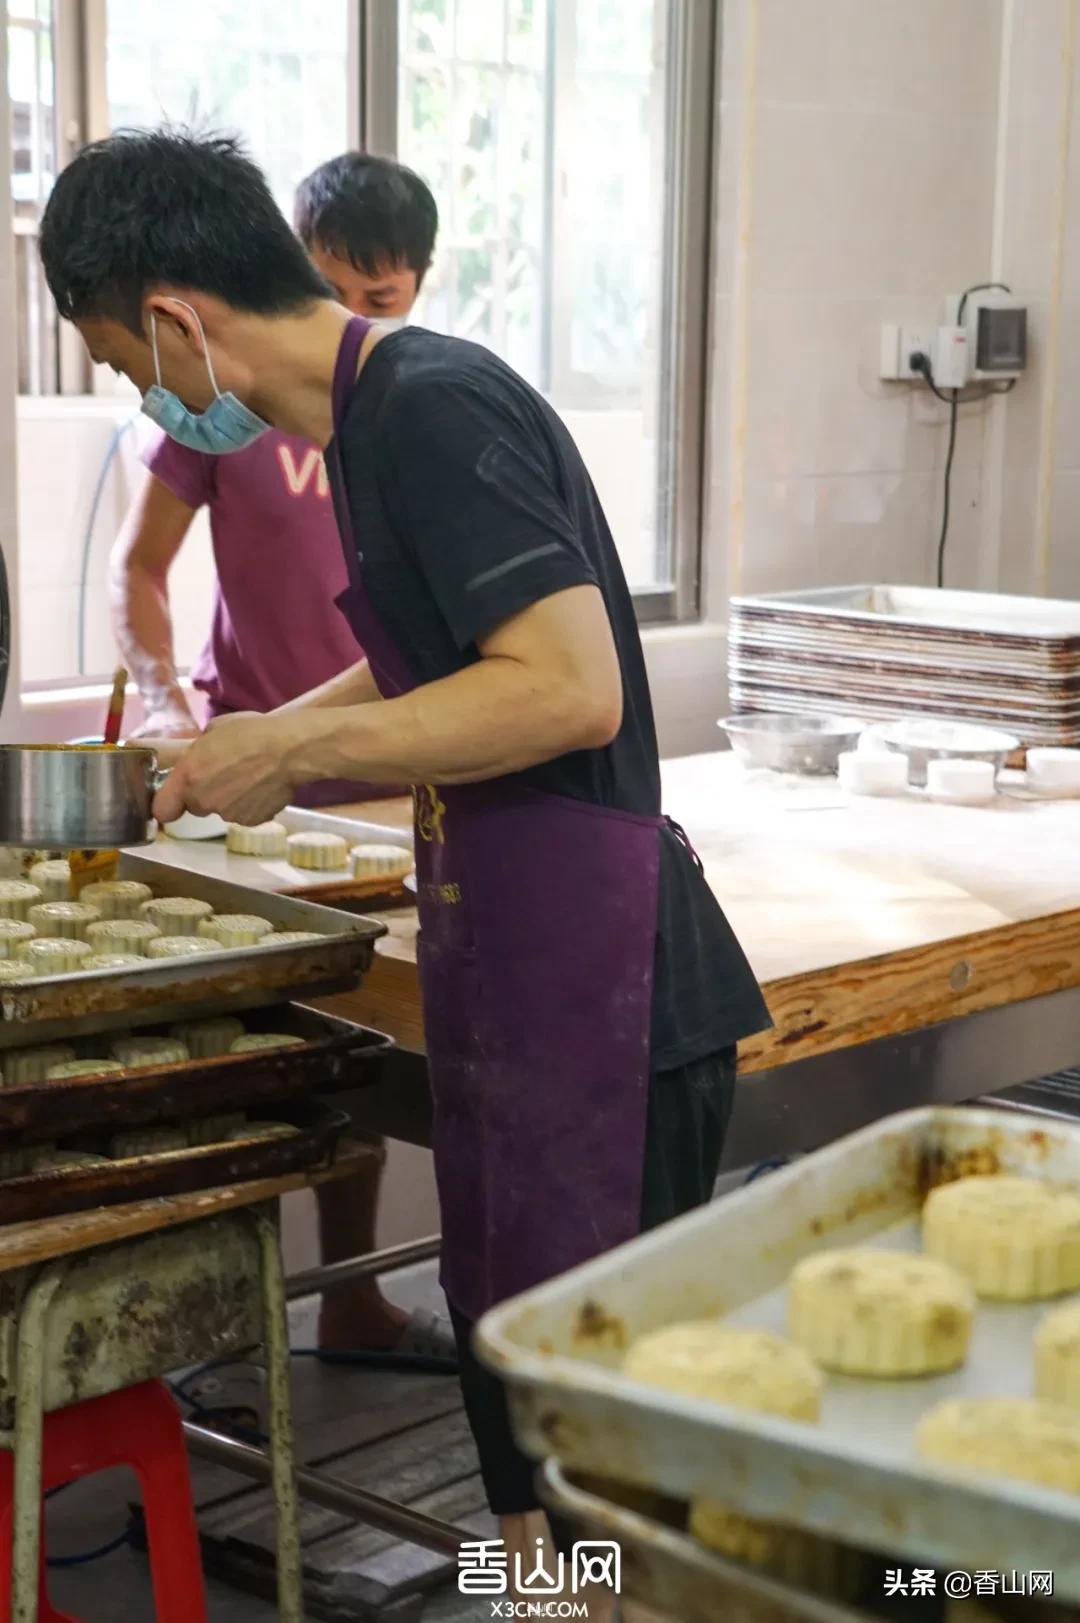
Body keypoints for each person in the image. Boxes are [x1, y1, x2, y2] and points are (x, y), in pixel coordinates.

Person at [40, 128, 772, 1592]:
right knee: (523, 1433)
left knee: (600, 1462)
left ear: (178, 318)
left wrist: (292, 752)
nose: (142, 396)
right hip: (523, 965)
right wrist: (262, 736)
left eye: (127, 364)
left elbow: (570, 689)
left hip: (616, 992)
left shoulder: (432, 406)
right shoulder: (368, 425)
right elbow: (427, 661)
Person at [108, 150, 448, 1361]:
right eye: (330, 289)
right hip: (252, 786)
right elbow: (140, 572)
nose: (351, 318)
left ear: (418, 287)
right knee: (258, 1050)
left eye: (381, 298)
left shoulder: (419, 413)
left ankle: (354, 1301)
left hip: (393, 777)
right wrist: (163, 701)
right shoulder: (222, 407)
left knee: (382, 1048)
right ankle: (213, 1324)